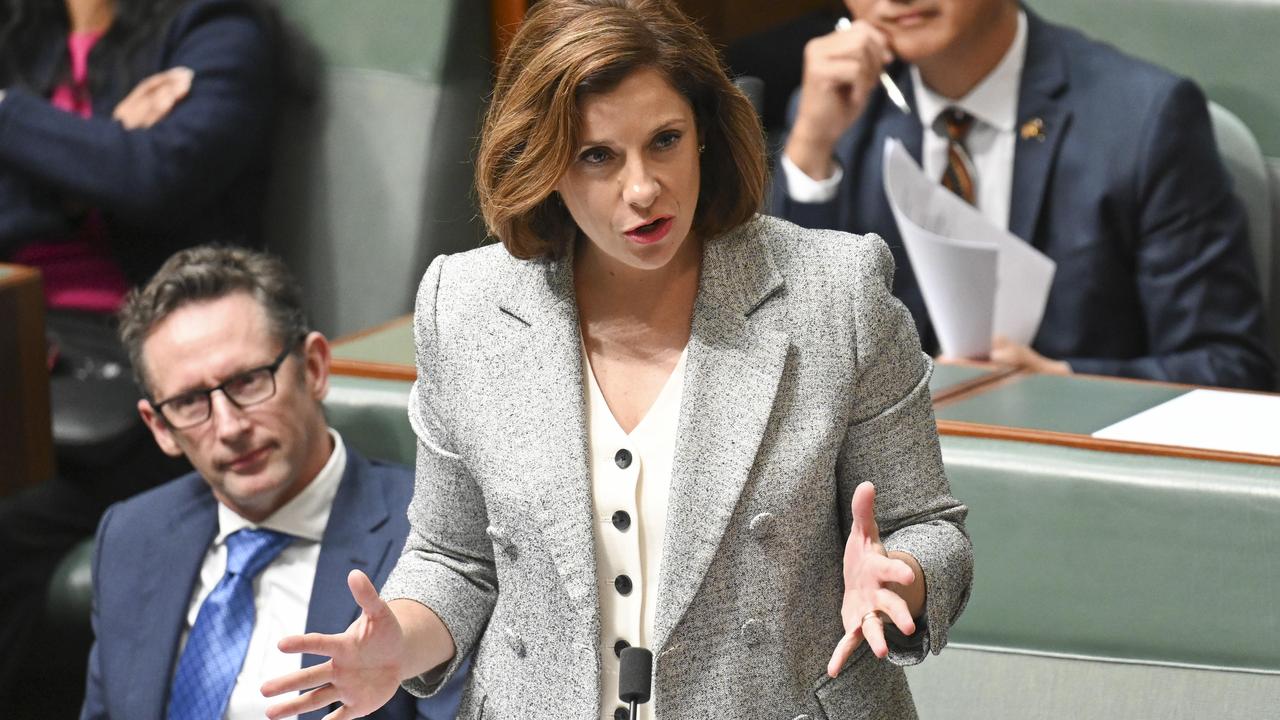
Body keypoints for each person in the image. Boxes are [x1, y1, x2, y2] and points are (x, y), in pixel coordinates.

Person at [262, 1, 972, 718]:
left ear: (704, 136)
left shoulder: (837, 292)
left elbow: (931, 529)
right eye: (598, 155)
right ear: (543, 162)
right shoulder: (465, 304)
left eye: (665, 141)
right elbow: (456, 559)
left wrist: (901, 579)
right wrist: (400, 642)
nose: (642, 189)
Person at [0, 1, 284, 704]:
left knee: (13, 520)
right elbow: (122, 170)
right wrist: (94, 159)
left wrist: (10, 116)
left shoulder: (217, 28)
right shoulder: (15, 28)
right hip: (13, 330)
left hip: (138, 357)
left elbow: (156, 177)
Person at [772, 0, 1275, 390]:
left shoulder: (1145, 118)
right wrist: (810, 154)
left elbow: (1229, 367)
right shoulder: (836, 113)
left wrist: (1063, 385)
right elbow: (792, 358)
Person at [80, 246, 464, 720]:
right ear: (160, 426)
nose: (229, 428)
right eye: (189, 402)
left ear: (315, 367)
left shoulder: (438, 539)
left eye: (247, 382)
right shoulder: (131, 535)